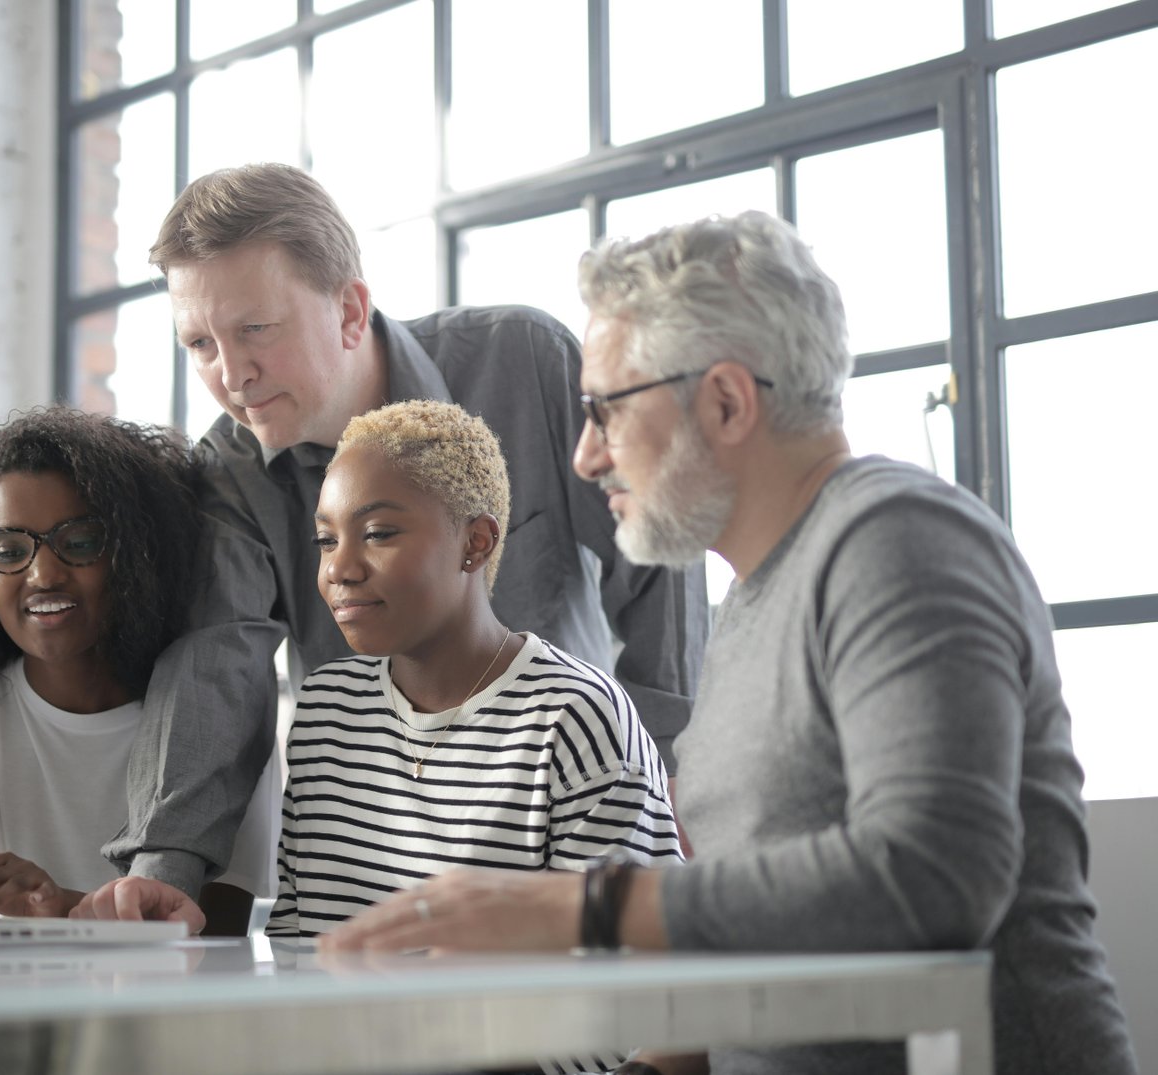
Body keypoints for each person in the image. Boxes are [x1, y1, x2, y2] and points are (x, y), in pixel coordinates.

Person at [324, 212, 1137, 1075]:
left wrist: (575, 909)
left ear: (725, 400)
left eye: (604, 411)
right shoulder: (754, 597)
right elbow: (739, 925)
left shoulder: (898, 540)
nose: (584, 455)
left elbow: (931, 875)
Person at [100, 162, 707, 908]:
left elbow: (657, 554)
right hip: (378, 855)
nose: (233, 376)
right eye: (199, 344)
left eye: (256, 329)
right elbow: (214, 663)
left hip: (567, 827)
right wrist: (163, 870)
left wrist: (666, 766)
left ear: (352, 310)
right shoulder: (228, 469)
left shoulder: (525, 361)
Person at [0, 407, 276, 933]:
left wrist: (59, 906)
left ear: (134, 552)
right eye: (8, 550)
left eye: (79, 543)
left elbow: (218, 937)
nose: (43, 574)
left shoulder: (224, 718)